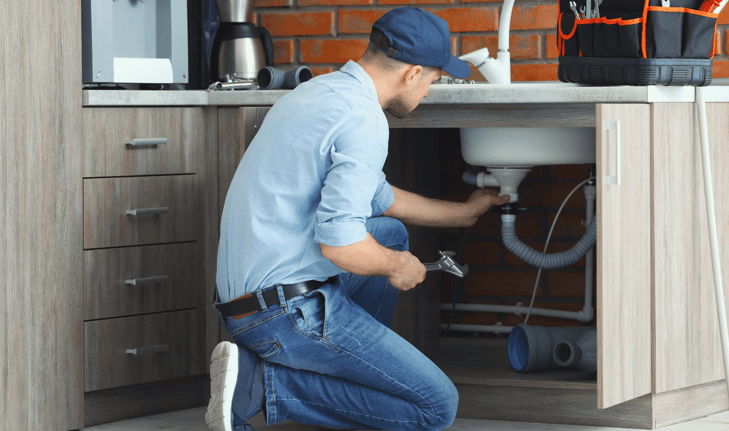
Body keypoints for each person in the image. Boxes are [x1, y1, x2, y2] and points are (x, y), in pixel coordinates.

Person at [206, 6, 509, 431]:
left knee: (390, 232)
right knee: (436, 407)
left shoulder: (321, 92)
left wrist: (464, 213)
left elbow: (381, 200)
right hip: (283, 314)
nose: (427, 93)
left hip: (244, 302)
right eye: (433, 81)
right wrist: (396, 265)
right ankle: (263, 384)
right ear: (412, 72)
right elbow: (341, 244)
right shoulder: (364, 120)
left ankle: (343, 372)